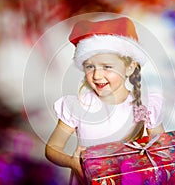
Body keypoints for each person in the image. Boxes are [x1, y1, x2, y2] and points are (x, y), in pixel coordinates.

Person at [45, 17, 164, 184]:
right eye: (89, 66)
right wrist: (71, 162)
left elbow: (163, 150)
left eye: (107, 66)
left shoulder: (146, 106)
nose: (96, 75)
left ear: (129, 68)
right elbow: (52, 148)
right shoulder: (78, 106)